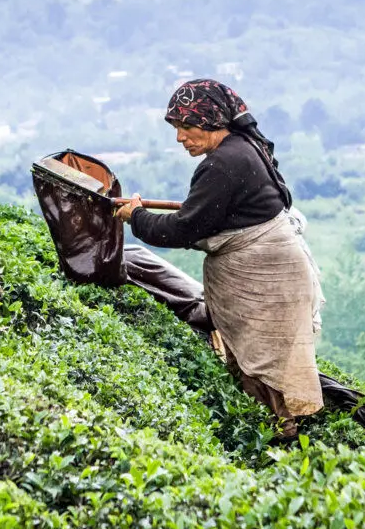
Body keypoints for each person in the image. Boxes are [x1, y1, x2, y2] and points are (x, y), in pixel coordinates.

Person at [114, 78, 323, 439]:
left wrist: (137, 216)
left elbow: (182, 230)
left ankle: (281, 450)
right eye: (177, 128)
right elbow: (213, 215)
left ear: (212, 120)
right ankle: (281, 443)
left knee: (265, 371)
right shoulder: (241, 149)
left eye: (187, 126)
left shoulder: (224, 164)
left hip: (268, 285)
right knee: (262, 372)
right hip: (276, 277)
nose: (181, 137)